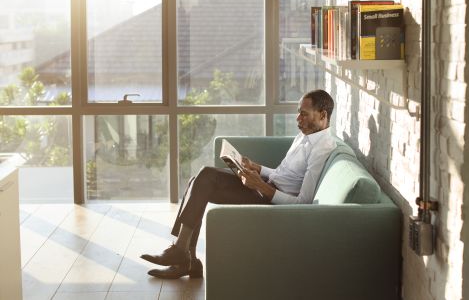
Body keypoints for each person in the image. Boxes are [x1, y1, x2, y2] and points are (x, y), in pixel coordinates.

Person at [140, 89, 336, 279]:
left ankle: (181, 255)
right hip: (267, 186)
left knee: (206, 177)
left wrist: (260, 186)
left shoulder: (322, 148)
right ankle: (187, 259)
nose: (298, 119)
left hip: (273, 204)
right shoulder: (305, 135)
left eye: (304, 114)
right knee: (197, 180)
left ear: (322, 115)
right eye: (298, 113)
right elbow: (282, 174)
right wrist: (256, 167)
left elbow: (304, 204)